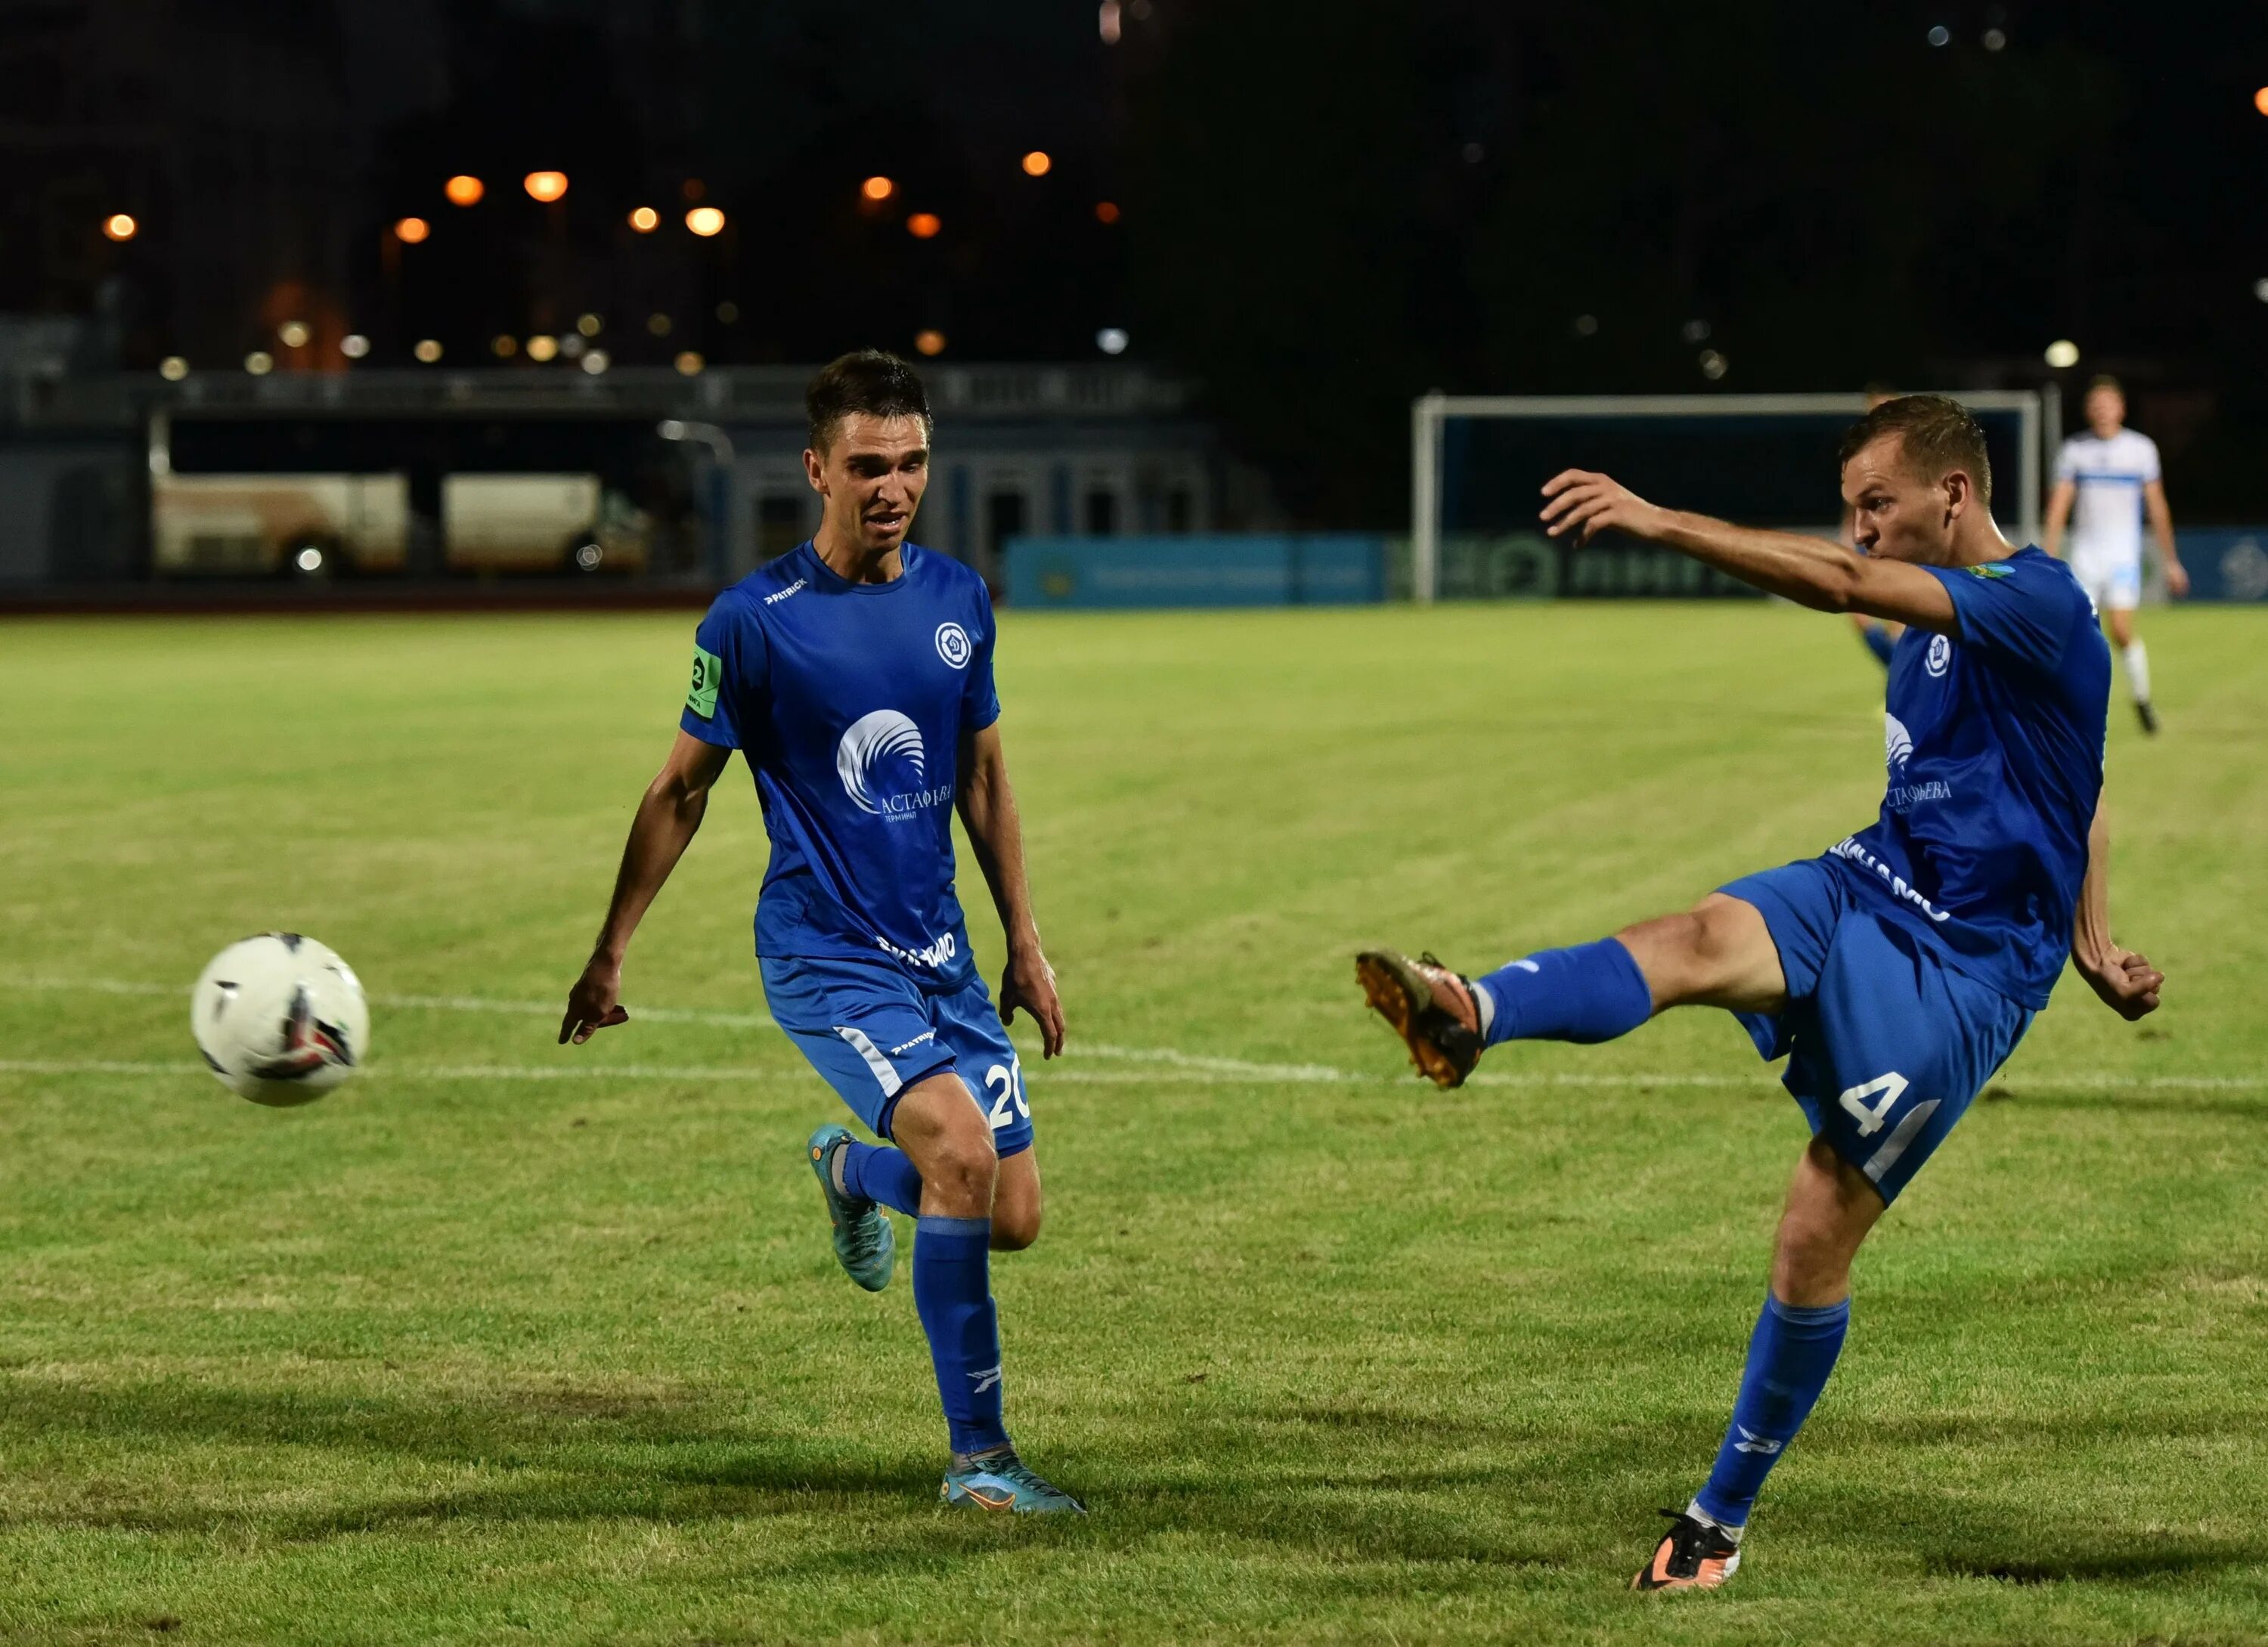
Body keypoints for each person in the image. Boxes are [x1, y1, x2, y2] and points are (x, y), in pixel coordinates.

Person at [1355, 395, 2164, 1589]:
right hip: (1870, 880)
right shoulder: (1935, 631)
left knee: (1812, 1235)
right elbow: (2076, 779)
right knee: (1690, 935)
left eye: (1875, 504)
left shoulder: (2040, 601)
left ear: (1953, 493)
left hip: (1968, 970)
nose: (1860, 529)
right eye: (1850, 510)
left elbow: (1852, 598)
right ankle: (1472, 1010)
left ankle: (1718, 1518)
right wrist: (2096, 930)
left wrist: (1658, 518)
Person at [560, 350, 1083, 1513]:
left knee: (1012, 1212)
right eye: (867, 467)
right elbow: (679, 790)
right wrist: (609, 954)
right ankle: (981, 1462)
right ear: (817, 470)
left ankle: (846, 1169)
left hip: (937, 949)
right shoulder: (753, 624)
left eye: (911, 464)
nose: (892, 487)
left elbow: (983, 775)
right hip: (826, 953)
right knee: (957, 1155)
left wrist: (1025, 939)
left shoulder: (958, 599)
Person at [2043, 375, 2189, 732]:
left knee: (2121, 630)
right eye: (2096, 405)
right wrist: (2047, 556)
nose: (2103, 411)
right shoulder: (2076, 450)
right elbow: (2060, 506)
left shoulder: (2140, 450)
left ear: (2121, 408)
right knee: (2079, 634)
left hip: (2123, 556)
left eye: (2109, 404)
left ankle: (2141, 699)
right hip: (2085, 558)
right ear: (2088, 411)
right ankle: (2078, 706)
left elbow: (2157, 506)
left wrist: (2171, 560)